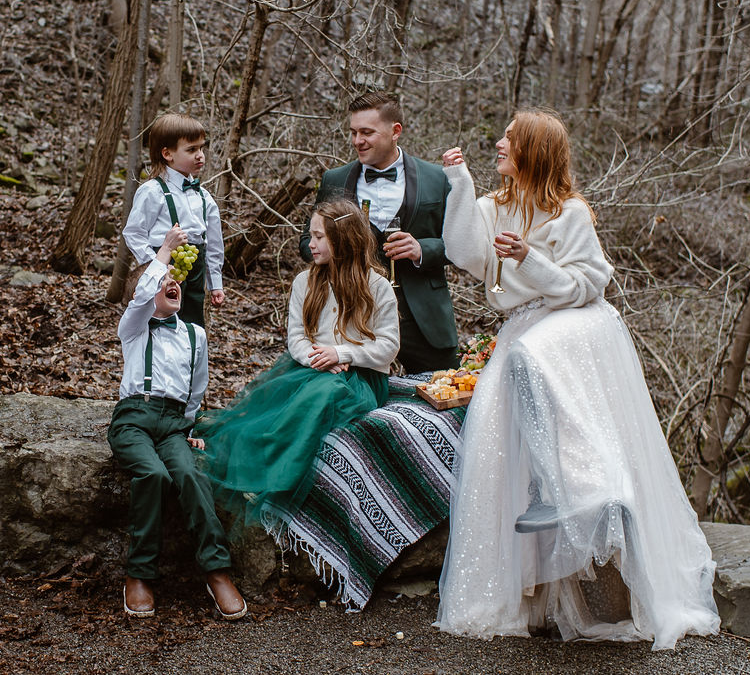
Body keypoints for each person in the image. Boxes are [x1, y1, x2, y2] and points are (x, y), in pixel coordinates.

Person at [435, 110, 720, 649]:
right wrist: (459, 184)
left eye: (510, 139)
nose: (499, 142)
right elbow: (466, 253)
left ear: (533, 152)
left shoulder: (571, 214)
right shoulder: (496, 206)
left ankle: (582, 487)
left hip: (572, 320)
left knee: (531, 359)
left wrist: (531, 258)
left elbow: (587, 286)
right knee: (495, 414)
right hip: (522, 323)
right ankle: (517, 584)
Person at [199, 199, 400, 524]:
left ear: (343, 239)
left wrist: (343, 353)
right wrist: (317, 357)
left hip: (361, 378)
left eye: (319, 237)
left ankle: (274, 479)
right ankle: (255, 457)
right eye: (311, 235)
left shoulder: (376, 287)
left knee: (324, 396)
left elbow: (389, 347)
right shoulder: (304, 283)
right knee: (274, 406)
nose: (311, 244)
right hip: (308, 369)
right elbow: (296, 338)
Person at [107, 225, 246, 621]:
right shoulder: (134, 327)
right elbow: (141, 290)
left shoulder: (195, 335)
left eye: (175, 282)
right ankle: (139, 575)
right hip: (134, 418)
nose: (172, 284)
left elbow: (195, 387)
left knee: (189, 475)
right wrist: (164, 251)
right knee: (152, 475)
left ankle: (217, 571)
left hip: (172, 424)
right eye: (163, 281)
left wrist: (190, 429)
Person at [298, 91, 457, 373]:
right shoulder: (334, 180)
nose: (357, 141)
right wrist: (337, 248)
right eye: (354, 132)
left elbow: (462, 246)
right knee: (353, 406)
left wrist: (423, 250)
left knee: (443, 396)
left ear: (396, 131)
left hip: (423, 317)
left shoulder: (437, 178)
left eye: (367, 132)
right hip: (351, 318)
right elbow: (306, 242)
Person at [123, 113, 225, 329]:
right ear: (167, 154)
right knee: (160, 324)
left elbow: (214, 245)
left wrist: (215, 283)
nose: (200, 156)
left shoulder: (204, 197)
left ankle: (189, 361)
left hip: (195, 268)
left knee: (193, 326)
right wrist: (155, 266)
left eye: (201, 148)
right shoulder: (152, 191)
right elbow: (134, 233)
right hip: (163, 267)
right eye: (191, 150)